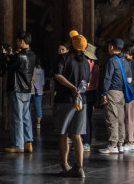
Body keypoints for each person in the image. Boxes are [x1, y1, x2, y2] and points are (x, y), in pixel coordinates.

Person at [53, 30, 90, 178]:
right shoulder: (86, 62)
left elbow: (57, 75)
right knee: (77, 135)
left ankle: (65, 164)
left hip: (65, 100)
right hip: (82, 101)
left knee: (63, 133)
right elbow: (87, 82)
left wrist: (71, 88)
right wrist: (79, 90)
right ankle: (79, 167)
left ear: (71, 45)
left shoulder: (63, 58)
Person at [3, 31, 36, 153]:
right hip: (27, 89)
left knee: (16, 117)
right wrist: (12, 55)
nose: (16, 44)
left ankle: (18, 144)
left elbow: (8, 67)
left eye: (17, 41)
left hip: (16, 89)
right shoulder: (32, 55)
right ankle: (28, 142)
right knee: (26, 116)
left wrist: (5, 56)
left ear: (22, 41)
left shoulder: (19, 56)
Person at [99, 38, 132, 154]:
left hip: (112, 92)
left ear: (112, 47)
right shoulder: (125, 61)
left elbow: (107, 78)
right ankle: (120, 144)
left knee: (112, 118)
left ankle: (113, 145)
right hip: (122, 93)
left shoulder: (112, 61)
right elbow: (129, 78)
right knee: (121, 119)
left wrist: (103, 93)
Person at [80, 43, 99, 152]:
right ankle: (87, 142)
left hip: (84, 92)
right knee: (88, 118)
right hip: (92, 92)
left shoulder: (85, 63)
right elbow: (96, 82)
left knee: (82, 118)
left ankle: (83, 140)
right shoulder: (96, 65)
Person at [32, 58, 45, 130]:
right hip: (39, 90)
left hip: (30, 90)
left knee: (28, 107)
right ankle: (38, 123)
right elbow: (42, 82)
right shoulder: (41, 69)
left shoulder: (30, 68)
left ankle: (28, 122)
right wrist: (42, 91)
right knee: (38, 107)